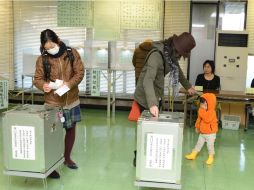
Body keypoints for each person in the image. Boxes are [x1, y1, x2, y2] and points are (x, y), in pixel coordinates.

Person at [34, 29, 85, 178]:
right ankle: (52, 164)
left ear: (58, 40)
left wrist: (68, 85)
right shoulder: (42, 59)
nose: (50, 49)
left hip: (71, 100)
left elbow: (80, 73)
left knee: (71, 129)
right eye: (47, 48)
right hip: (53, 101)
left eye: (52, 46)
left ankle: (67, 158)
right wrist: (43, 85)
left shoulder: (71, 53)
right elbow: (37, 78)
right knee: (53, 133)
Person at [134, 32, 197, 118]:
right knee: (148, 126)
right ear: (175, 49)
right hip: (145, 96)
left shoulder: (170, 55)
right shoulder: (156, 56)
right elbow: (147, 80)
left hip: (157, 92)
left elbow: (178, 71)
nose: (179, 57)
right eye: (180, 54)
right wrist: (152, 104)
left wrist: (188, 86)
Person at [185, 93, 218, 165]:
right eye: (201, 104)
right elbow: (199, 120)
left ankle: (211, 157)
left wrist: (201, 111)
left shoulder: (212, 112)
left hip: (211, 134)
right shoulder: (201, 110)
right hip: (202, 133)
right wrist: (197, 127)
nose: (202, 106)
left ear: (210, 104)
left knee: (210, 146)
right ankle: (193, 154)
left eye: (205, 105)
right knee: (198, 144)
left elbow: (207, 119)